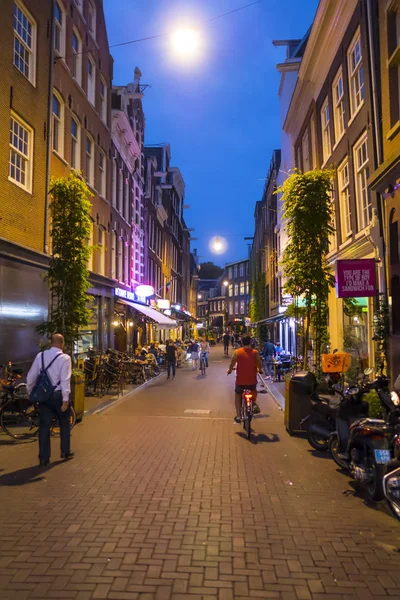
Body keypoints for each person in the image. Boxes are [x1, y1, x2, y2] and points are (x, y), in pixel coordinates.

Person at [26, 333, 73, 467]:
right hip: (58, 395)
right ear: (62, 343)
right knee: (64, 423)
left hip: (44, 396)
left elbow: (31, 377)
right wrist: (65, 398)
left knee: (44, 426)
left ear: (51, 343)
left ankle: (43, 458)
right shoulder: (65, 358)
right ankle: (65, 451)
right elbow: (65, 380)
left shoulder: (40, 356)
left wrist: (31, 392)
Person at [227, 334, 263, 423]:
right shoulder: (255, 352)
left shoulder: (237, 352)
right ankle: (253, 403)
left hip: (240, 380)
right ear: (250, 342)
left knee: (238, 394)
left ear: (241, 342)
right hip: (252, 380)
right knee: (254, 390)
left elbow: (232, 363)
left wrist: (230, 370)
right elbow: (259, 363)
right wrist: (260, 370)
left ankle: (239, 415)